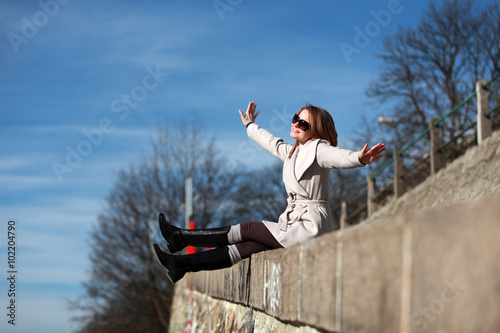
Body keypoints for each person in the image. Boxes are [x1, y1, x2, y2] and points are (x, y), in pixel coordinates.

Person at [152, 101, 385, 283]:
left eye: (303, 123)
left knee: (250, 229)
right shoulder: (294, 152)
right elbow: (271, 142)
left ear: (316, 131)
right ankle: (181, 264)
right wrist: (250, 126)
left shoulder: (318, 148)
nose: (296, 124)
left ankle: (179, 237)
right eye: (296, 118)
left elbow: (338, 156)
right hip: (294, 222)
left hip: (310, 225)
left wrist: (359, 158)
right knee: (246, 248)